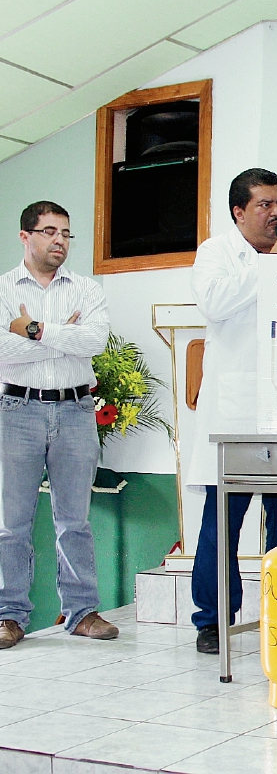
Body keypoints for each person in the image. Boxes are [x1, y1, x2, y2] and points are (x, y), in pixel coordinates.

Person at [188, 169, 277, 654]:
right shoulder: (217, 253)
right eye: (264, 204)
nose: (276, 212)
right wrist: (268, 267)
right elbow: (214, 303)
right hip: (235, 412)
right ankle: (213, 619)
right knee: (222, 522)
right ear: (239, 211)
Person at [0, 201, 118, 648]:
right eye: (49, 232)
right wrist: (60, 337)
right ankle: (9, 616)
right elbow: (2, 350)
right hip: (17, 411)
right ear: (25, 236)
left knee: (75, 520)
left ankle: (82, 612)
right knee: (12, 522)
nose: (59, 241)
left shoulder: (86, 289)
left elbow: (94, 340)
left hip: (74, 411)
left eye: (66, 234)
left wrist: (31, 329)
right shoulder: (4, 288)